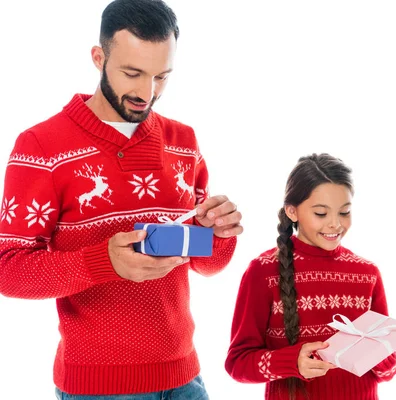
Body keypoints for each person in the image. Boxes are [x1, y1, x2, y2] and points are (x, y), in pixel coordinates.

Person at [0, 0, 242, 398]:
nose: (147, 93)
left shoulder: (183, 142)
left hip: (185, 379)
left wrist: (220, 232)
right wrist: (103, 262)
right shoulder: (40, 146)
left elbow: (206, 262)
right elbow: (9, 271)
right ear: (99, 58)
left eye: (161, 77)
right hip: (99, 389)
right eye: (133, 73)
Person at [225, 153, 396, 400]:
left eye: (344, 212)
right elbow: (238, 364)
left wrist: (381, 355)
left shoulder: (367, 273)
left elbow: (389, 370)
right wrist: (291, 362)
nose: (335, 225)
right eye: (321, 213)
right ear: (292, 211)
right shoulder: (263, 271)